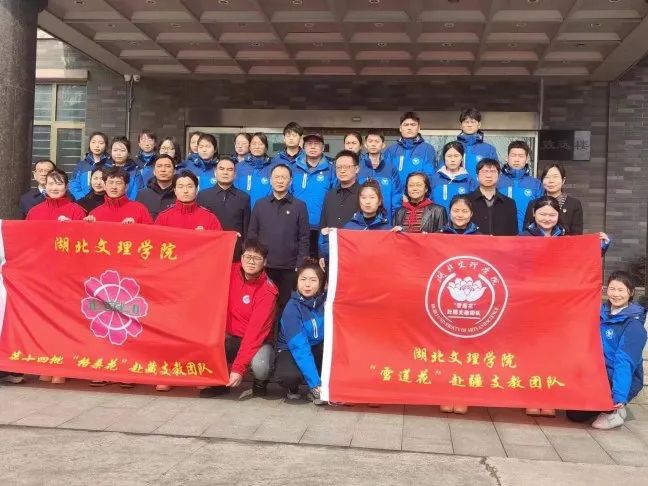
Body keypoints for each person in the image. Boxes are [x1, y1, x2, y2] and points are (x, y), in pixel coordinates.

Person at [27, 168, 86, 385]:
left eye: (59, 183)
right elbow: (28, 243)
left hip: (68, 277)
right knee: (44, 319)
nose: (54, 187)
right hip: (42, 275)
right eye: (51, 183)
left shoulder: (77, 211)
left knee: (65, 321)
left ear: (67, 186)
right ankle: (46, 363)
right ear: (45, 185)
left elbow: (85, 245)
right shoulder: (34, 212)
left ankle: (63, 366)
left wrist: (71, 229)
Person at [567, 272, 647, 429]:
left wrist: (620, 395)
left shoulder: (634, 326)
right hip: (596, 373)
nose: (616, 294)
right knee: (574, 415)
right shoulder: (600, 313)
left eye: (621, 290)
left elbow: (624, 362)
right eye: (612, 289)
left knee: (593, 417)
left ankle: (614, 411)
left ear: (631, 292)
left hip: (617, 377)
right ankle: (606, 405)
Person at [200, 241, 277, 398]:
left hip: (257, 341)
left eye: (256, 258)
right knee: (207, 341)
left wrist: (238, 369)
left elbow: (254, 334)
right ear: (241, 258)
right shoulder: (229, 271)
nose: (251, 262)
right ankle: (220, 381)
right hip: (229, 336)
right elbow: (205, 264)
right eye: (247, 257)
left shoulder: (268, 292)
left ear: (265, 262)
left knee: (261, 365)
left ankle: (260, 382)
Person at [248, 164, 310, 313]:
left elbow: (304, 238)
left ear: (290, 180)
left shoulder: (299, 206)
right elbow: (252, 234)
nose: (280, 181)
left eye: (284, 177)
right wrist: (254, 261)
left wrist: (300, 264)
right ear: (270, 180)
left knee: (286, 306)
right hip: (264, 266)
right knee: (263, 305)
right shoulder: (260, 204)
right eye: (276, 177)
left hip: (289, 268)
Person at [275, 260, 327, 405]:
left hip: (317, 347)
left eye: (313, 280)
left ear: (321, 283)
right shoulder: (292, 308)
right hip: (291, 349)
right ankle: (295, 388)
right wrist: (315, 385)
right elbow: (300, 347)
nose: (307, 284)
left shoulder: (327, 302)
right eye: (303, 279)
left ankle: (316, 385)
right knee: (288, 376)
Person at [197, 156, 251, 260]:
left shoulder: (243, 198)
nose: (225, 173)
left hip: (234, 252)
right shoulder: (203, 196)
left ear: (235, 174)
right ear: (215, 172)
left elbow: (246, 229)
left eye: (229, 169)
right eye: (221, 169)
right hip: (209, 251)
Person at [291, 133, 335, 257]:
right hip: (296, 226)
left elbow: (335, 197)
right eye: (309, 144)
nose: (313, 147)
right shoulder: (293, 168)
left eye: (316, 144)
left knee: (320, 263)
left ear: (323, 148)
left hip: (321, 227)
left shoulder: (331, 169)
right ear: (303, 147)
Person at [520, 196, 610, 251]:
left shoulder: (565, 238)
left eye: (552, 215)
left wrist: (601, 246)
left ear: (558, 215)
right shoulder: (522, 238)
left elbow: (582, 258)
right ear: (534, 213)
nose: (547, 219)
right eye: (542, 214)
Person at [318, 150, 361, 263]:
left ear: (357, 168)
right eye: (339, 167)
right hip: (331, 252)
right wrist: (321, 254)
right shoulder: (330, 194)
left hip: (355, 252)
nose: (342, 170)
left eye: (347, 167)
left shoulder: (364, 194)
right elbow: (323, 224)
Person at [523, 163, 583, 235]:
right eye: (547, 177)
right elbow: (526, 231)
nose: (551, 181)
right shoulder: (533, 203)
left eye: (555, 177)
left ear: (563, 180)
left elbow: (577, 235)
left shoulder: (574, 204)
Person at [497, 140, 543, 232]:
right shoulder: (497, 181)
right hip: (501, 234)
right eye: (513, 155)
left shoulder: (536, 184)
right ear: (507, 158)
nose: (516, 159)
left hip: (528, 235)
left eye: (521, 156)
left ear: (527, 159)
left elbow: (541, 211)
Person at [383, 111, 436, 187]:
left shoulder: (428, 149)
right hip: (397, 194)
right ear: (400, 128)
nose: (409, 128)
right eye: (406, 125)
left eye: (413, 125)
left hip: (418, 193)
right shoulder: (391, 150)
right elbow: (386, 176)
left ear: (419, 128)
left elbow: (429, 176)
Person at [155, 171, 222, 231]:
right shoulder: (163, 217)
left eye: (189, 186)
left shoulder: (209, 218)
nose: (185, 191)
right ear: (175, 191)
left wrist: (205, 236)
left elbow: (219, 239)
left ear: (196, 190)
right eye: (181, 187)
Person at [86, 167, 153, 225]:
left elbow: (150, 233)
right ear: (104, 186)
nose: (114, 187)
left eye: (118, 183)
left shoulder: (140, 209)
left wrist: (135, 227)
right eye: (110, 182)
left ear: (126, 187)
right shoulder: (94, 214)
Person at [359, 130, 402, 220]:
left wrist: (395, 219)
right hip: (361, 220)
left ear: (383, 145)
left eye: (377, 141)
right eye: (370, 141)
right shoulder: (358, 167)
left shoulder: (390, 168)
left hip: (386, 220)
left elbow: (396, 196)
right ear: (365, 144)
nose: (373, 144)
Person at [467, 159, 517, 236]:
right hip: (473, 243)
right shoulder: (467, 201)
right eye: (484, 171)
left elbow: (513, 234)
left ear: (499, 176)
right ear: (477, 176)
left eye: (493, 172)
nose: (488, 176)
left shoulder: (509, 203)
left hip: (500, 244)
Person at [430, 141, 478, 213]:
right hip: (437, 219)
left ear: (462, 158)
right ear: (444, 158)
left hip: (460, 219)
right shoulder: (434, 179)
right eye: (449, 156)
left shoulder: (470, 181)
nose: (452, 160)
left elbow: (474, 206)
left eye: (456, 156)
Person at [233, 132, 275, 208]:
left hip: (265, 210)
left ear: (266, 148)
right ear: (249, 147)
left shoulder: (273, 168)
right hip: (242, 209)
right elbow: (234, 190)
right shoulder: (238, 167)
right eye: (254, 144)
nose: (257, 147)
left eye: (260, 144)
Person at [456, 107, 499, 178]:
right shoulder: (452, 148)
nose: (469, 125)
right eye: (466, 122)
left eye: (473, 122)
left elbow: (495, 174)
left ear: (479, 125)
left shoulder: (489, 149)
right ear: (461, 126)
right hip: (458, 184)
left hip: (481, 185)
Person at [69, 132, 110, 200]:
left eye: (101, 143)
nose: (97, 145)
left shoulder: (110, 164)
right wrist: (83, 199)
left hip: (106, 202)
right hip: (83, 201)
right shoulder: (81, 165)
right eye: (93, 142)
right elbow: (73, 184)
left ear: (106, 145)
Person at [136, 154, 177, 219]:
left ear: (174, 171)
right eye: (159, 166)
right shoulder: (142, 195)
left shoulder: (180, 195)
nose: (163, 170)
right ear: (154, 171)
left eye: (167, 166)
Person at [107, 136, 143, 200]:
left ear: (128, 153)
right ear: (111, 152)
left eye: (122, 150)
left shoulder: (135, 172)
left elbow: (138, 193)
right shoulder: (106, 170)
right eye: (115, 150)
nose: (118, 153)